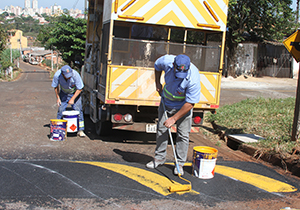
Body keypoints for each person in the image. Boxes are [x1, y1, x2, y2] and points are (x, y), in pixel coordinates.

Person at [146, 54, 201, 175]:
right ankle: (159, 158)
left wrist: (174, 119)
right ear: (173, 66)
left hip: (183, 107)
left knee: (183, 135)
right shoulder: (166, 61)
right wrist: (157, 83)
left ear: (188, 68)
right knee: (161, 130)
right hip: (166, 102)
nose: (180, 77)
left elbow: (191, 103)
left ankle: (179, 163)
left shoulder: (194, 78)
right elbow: (157, 66)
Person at [51, 65, 86, 137]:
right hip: (63, 93)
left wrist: (73, 99)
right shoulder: (57, 75)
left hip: (75, 93)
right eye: (67, 76)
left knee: (78, 110)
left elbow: (80, 88)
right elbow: (55, 86)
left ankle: (80, 130)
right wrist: (58, 98)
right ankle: (59, 129)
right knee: (61, 110)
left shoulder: (75, 74)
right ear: (62, 74)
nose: (69, 77)